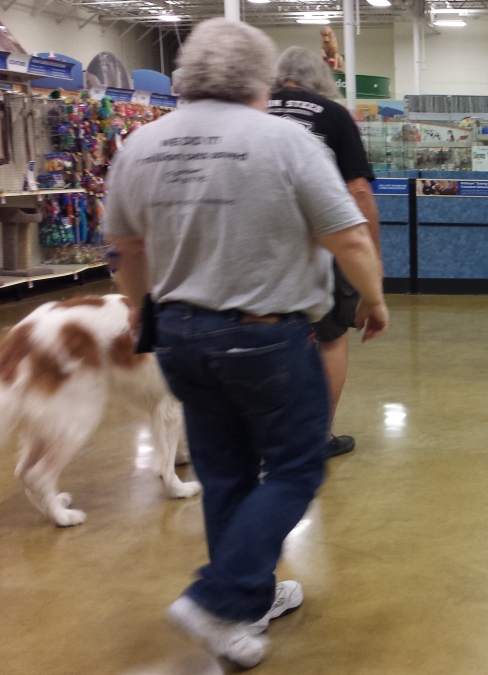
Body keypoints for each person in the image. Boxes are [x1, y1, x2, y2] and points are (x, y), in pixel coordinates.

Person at [103, 19, 387, 668]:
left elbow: (125, 248)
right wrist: (372, 298)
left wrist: (140, 308)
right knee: (296, 467)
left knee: (224, 470)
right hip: (264, 335)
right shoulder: (284, 141)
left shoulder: (141, 144)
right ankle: (218, 594)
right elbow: (347, 234)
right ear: (260, 80)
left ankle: (246, 602)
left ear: (187, 76)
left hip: (179, 334)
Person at [268, 46, 381, 460]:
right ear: (321, 80)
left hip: (260, 247)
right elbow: (359, 191)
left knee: (265, 334)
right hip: (323, 242)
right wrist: (372, 261)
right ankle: (318, 437)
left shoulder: (252, 109)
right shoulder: (331, 114)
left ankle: (267, 435)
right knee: (331, 337)